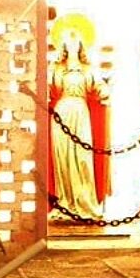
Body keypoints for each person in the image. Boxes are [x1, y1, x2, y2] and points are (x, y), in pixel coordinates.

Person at [49, 26, 108, 220]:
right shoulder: (56, 68)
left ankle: (84, 202)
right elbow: (46, 87)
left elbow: (100, 86)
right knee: (63, 159)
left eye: (76, 40)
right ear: (63, 45)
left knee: (82, 158)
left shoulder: (88, 69)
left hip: (80, 112)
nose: (72, 43)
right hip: (62, 113)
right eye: (68, 40)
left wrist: (105, 93)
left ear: (82, 45)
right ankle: (65, 201)